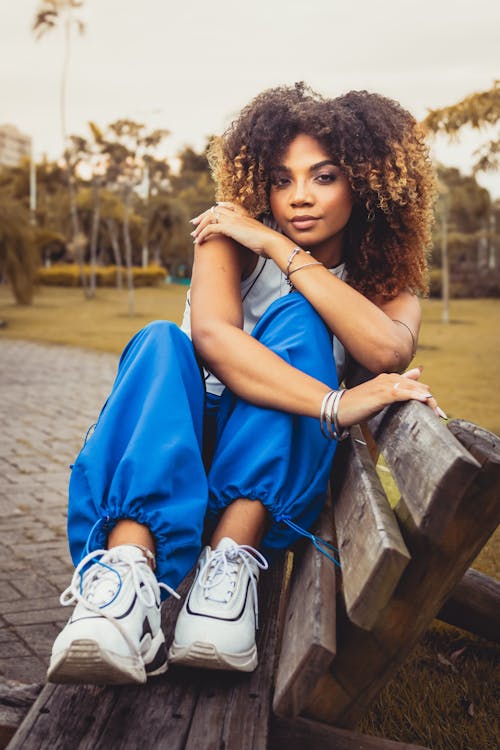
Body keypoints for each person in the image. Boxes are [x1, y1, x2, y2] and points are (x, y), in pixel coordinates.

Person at [47, 83, 443, 685]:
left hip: (263, 478)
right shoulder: (228, 239)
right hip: (175, 455)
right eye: (282, 180)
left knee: (301, 319)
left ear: (365, 182)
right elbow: (213, 342)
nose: (298, 198)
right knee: (160, 341)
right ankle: (126, 587)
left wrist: (280, 249)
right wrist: (334, 403)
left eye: (323, 176)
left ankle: (223, 579)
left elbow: (388, 349)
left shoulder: (381, 280)